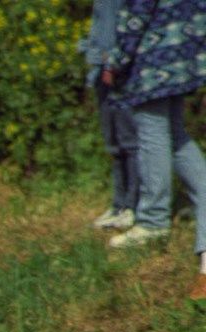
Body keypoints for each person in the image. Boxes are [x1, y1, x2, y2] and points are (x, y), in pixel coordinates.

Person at [103, 0, 206, 299]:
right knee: (173, 134)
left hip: (155, 56)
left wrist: (115, 61)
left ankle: (153, 219)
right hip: (183, 52)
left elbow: (136, 15)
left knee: (153, 134)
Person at [80, 0, 139, 230]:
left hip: (118, 69)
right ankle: (119, 204)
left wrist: (110, 63)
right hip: (101, 68)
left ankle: (133, 206)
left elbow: (124, 27)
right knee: (114, 144)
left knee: (130, 141)